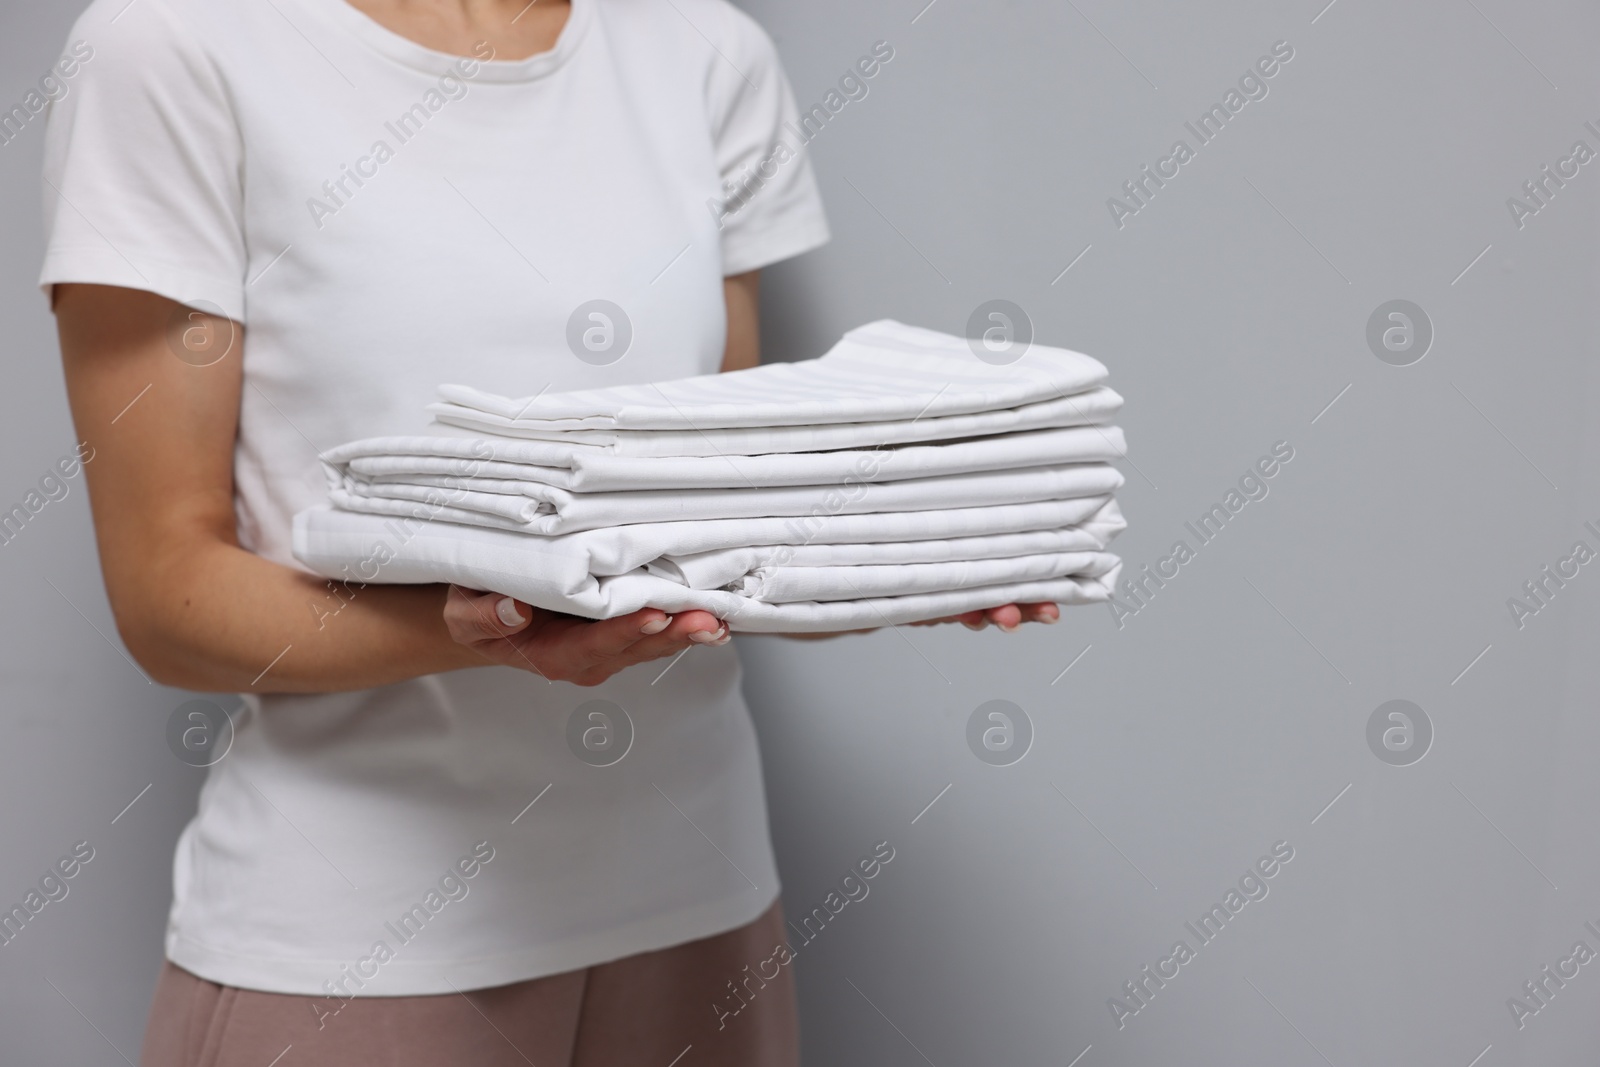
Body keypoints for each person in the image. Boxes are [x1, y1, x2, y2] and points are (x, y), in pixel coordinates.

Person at [42, 0, 1059, 1062]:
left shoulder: (706, 52)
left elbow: (724, 519)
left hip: (701, 924)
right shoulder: (174, 44)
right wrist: (497, 622)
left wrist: (900, 565)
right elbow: (168, 594)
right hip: (363, 952)